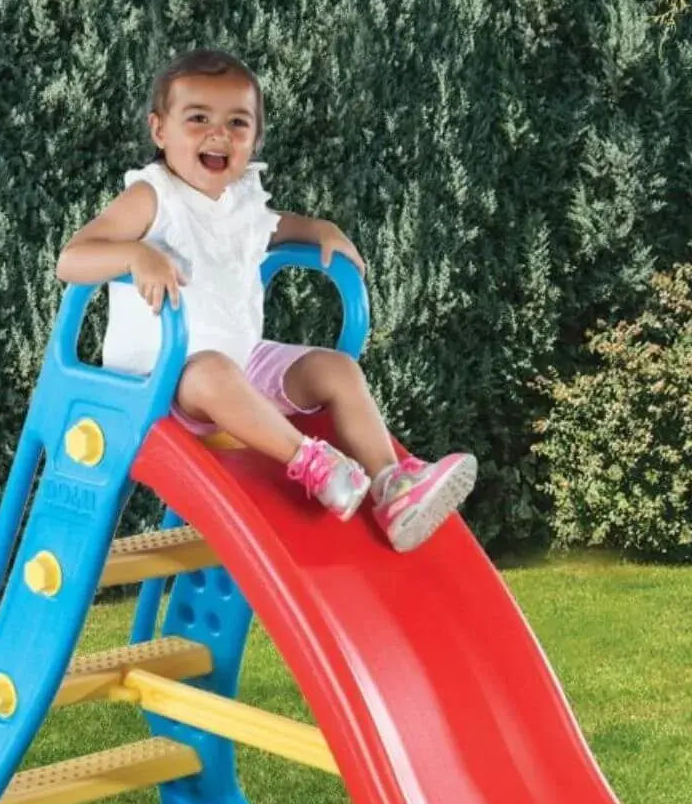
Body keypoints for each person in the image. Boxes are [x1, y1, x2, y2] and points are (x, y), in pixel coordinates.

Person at [55, 47, 476, 552]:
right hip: (161, 377)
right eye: (198, 118)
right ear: (160, 130)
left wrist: (318, 229)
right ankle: (311, 462)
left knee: (337, 369)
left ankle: (393, 487)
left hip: (240, 362)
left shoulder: (241, 200)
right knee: (211, 371)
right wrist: (134, 255)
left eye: (238, 122)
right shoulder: (152, 197)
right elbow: (71, 259)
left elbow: (275, 229)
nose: (219, 134)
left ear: (255, 137)